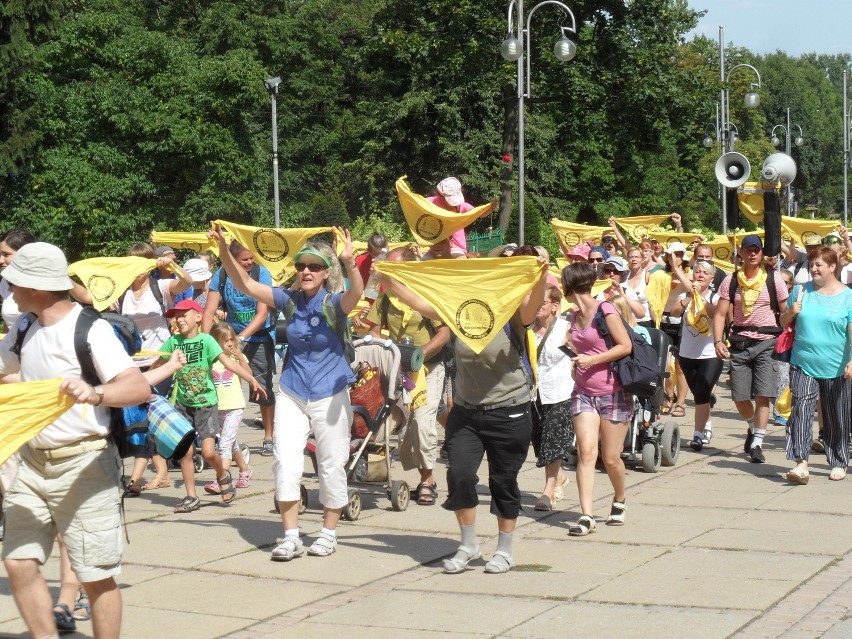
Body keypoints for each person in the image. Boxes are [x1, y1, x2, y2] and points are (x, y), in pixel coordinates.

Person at [0, 242, 150, 639]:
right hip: (33, 464)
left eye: (13, 281)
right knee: (18, 560)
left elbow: (137, 387)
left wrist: (95, 392)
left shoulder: (91, 329)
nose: (8, 287)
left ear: (35, 287)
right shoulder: (24, 326)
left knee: (96, 576)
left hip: (84, 465)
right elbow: (2, 370)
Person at [382, 245, 548, 574]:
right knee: (459, 476)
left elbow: (533, 307)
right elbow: (420, 304)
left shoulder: (514, 311)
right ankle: (468, 544)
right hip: (467, 411)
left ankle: (504, 549)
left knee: (503, 481)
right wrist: (388, 275)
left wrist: (540, 274)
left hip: (509, 410)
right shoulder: (460, 308)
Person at [209, 224, 362, 560]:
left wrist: (350, 263)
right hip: (293, 391)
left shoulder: (334, 303)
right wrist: (223, 249)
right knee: (285, 462)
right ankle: (290, 535)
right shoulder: (287, 299)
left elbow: (356, 295)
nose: (306, 271)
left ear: (325, 273)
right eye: (301, 266)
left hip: (330, 393)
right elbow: (244, 283)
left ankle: (328, 533)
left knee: (331, 464)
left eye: (314, 267)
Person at [152, 299, 266, 512]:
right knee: (184, 453)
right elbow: (157, 363)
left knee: (207, 452)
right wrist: (141, 384)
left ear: (198, 316)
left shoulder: (207, 341)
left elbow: (228, 362)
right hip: (182, 404)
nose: (179, 319)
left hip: (207, 405)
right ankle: (191, 496)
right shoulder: (173, 342)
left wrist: (251, 380)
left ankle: (223, 475)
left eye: (184, 314)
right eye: (177, 316)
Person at [366, 247, 451, 505]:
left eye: (395, 268)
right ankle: (373, 471)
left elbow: (445, 333)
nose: (389, 272)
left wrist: (421, 353)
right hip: (395, 370)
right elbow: (374, 330)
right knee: (382, 423)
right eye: (387, 268)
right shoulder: (385, 297)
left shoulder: (425, 295)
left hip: (428, 368)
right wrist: (380, 350)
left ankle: (427, 479)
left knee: (422, 422)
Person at [561, 262, 633, 537]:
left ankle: (620, 498)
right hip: (583, 392)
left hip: (613, 391)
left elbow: (624, 346)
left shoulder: (606, 310)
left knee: (611, 457)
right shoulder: (572, 316)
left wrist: (592, 359)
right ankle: (586, 515)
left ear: (570, 286)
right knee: (586, 452)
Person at [712, 234, 789, 463]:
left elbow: (785, 314)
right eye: (748, 250)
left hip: (767, 341)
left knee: (763, 396)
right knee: (739, 396)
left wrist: (790, 330)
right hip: (740, 342)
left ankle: (757, 443)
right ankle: (752, 427)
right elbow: (719, 313)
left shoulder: (774, 279)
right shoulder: (731, 280)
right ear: (742, 253)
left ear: (762, 252)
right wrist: (718, 341)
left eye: (756, 249)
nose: (753, 253)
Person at [781, 247, 852, 484]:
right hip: (803, 363)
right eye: (812, 265)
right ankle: (801, 463)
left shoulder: (848, 297)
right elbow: (782, 321)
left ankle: (839, 460)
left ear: (833, 267)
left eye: (819, 265)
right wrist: (791, 311)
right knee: (801, 410)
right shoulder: (801, 291)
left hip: (837, 366)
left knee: (837, 415)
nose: (813, 269)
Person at [202, 240, 276, 456]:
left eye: (252, 258)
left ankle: (268, 437)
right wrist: (207, 342)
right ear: (233, 259)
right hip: (230, 338)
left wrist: (241, 338)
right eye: (245, 259)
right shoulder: (222, 275)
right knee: (220, 384)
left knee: (262, 386)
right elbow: (209, 312)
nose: (250, 262)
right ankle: (222, 437)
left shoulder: (261, 274)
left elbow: (262, 314)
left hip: (258, 337)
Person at [669, 259, 722, 450]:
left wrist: (701, 298)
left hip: (710, 354)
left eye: (704, 273)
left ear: (712, 278)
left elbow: (717, 315)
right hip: (687, 354)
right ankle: (706, 424)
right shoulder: (686, 294)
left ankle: (697, 435)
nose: (700, 275)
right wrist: (690, 298)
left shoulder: (716, 297)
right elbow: (674, 312)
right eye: (697, 272)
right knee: (700, 395)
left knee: (702, 393)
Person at [531, 285, 573, 512]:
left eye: (543, 302)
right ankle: (560, 477)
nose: (537, 306)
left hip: (560, 392)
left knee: (552, 442)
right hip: (533, 393)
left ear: (555, 306)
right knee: (539, 443)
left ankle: (548, 492)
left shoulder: (566, 329)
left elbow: (579, 356)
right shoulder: (526, 329)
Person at [205, 321, 256, 493]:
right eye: (224, 341)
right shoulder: (212, 358)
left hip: (235, 406)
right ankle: (245, 469)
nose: (229, 344)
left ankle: (222, 479)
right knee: (230, 442)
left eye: (231, 340)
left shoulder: (235, 358)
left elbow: (249, 375)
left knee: (224, 444)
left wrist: (240, 356)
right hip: (217, 407)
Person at [647, 242, 690, 418]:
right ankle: (668, 395)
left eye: (679, 254)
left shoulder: (689, 274)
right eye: (673, 254)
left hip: (682, 321)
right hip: (663, 321)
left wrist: (677, 269)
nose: (676, 258)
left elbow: (691, 288)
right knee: (664, 363)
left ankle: (680, 402)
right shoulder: (659, 274)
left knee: (680, 366)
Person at [425, 177, 494, 258]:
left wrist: (490, 208)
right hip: (435, 246)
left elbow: (479, 213)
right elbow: (415, 203)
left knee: (460, 261)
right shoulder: (432, 202)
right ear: (440, 196)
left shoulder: (461, 206)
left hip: (456, 246)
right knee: (424, 261)